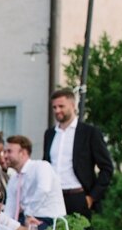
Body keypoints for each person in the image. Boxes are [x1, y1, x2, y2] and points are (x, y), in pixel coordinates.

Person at [44, 86, 114, 216]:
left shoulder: (89, 133)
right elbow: (46, 165)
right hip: (54, 198)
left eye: (61, 106)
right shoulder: (50, 134)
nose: (57, 110)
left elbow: (107, 168)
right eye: (54, 107)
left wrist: (92, 197)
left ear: (72, 105)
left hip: (78, 196)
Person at [2, 134, 65, 230]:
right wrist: (5, 226)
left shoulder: (41, 166)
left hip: (49, 219)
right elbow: (10, 209)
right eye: (4, 152)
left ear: (22, 153)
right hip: (25, 218)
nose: (5, 156)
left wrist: (28, 214)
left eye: (9, 151)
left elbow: (43, 189)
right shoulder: (14, 178)